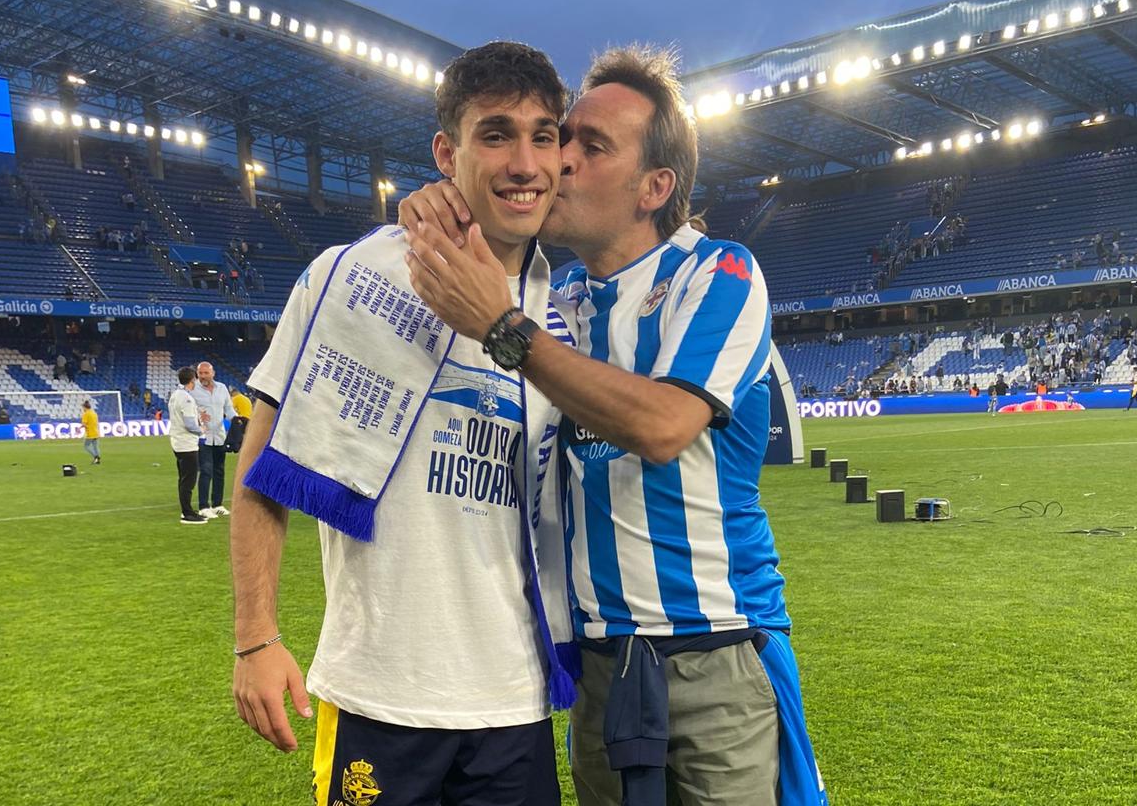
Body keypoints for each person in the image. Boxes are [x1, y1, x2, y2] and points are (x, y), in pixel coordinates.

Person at [401, 45, 825, 806]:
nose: (557, 162)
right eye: (565, 138)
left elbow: (664, 426)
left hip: (716, 650)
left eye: (589, 147)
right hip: (601, 664)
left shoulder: (719, 274)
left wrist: (507, 329)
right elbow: (478, 201)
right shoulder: (554, 294)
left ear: (653, 188)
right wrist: (432, 204)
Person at [230, 42, 575, 806]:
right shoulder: (349, 278)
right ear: (446, 153)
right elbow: (262, 472)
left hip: (515, 701)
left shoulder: (564, 322)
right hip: (380, 694)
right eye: (496, 134)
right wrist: (256, 635)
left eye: (542, 134)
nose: (524, 161)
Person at [192, 361, 235, 519]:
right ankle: (204, 506)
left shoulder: (222, 388)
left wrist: (237, 420)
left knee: (219, 471)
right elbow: (186, 407)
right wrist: (197, 415)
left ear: (213, 373)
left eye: (205, 373)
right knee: (206, 470)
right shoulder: (192, 389)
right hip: (203, 437)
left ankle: (217, 504)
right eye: (200, 373)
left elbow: (228, 408)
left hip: (220, 436)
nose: (202, 376)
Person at [169, 367, 207, 524]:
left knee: (184, 478)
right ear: (193, 380)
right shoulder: (186, 398)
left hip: (177, 441)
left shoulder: (175, 395)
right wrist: (201, 430)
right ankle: (187, 513)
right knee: (189, 479)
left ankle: (187, 510)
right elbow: (190, 424)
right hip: (186, 444)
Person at [80, 400, 101, 464]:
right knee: (96, 446)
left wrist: (79, 428)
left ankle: (96, 457)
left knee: (86, 446)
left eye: (83, 408)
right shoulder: (94, 413)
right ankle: (97, 460)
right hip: (96, 432)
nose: (83, 409)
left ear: (85, 407)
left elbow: (84, 424)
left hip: (90, 433)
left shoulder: (86, 414)